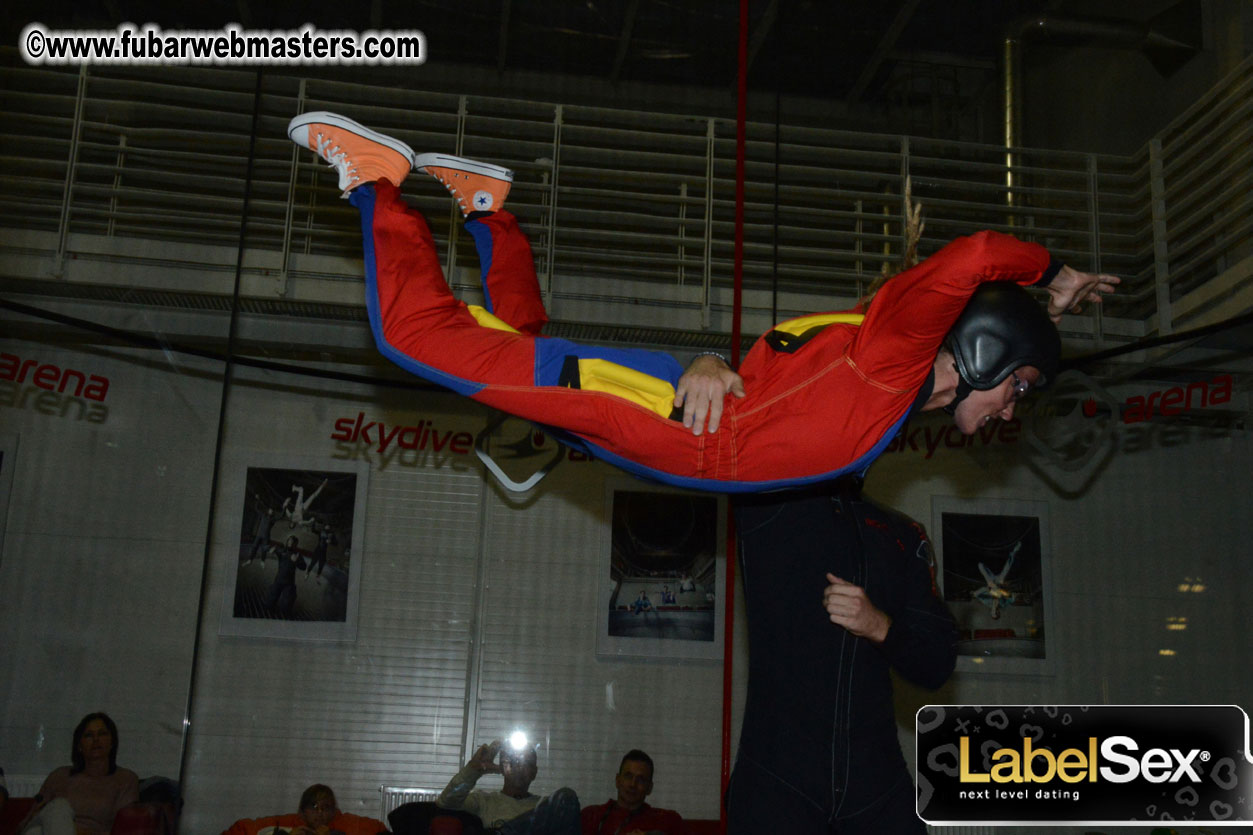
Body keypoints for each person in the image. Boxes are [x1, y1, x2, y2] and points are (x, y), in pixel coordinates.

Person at [286, 111, 1118, 493]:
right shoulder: (891, 358)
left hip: (669, 415)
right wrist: (1053, 271)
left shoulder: (886, 388)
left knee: (514, 360)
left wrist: (713, 363)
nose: (1014, 412)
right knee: (413, 336)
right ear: (982, 355)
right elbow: (973, 257)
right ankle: (378, 184)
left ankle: (487, 209)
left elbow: (772, 361)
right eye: (1019, 387)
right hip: (667, 426)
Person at [725, 477, 957, 834]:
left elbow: (937, 664)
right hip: (777, 780)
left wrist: (880, 627)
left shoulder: (902, 534)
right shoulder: (766, 500)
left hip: (875, 784)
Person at [19, 712, 140, 835]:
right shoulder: (59, 775)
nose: (96, 740)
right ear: (79, 745)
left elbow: (124, 830)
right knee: (58, 807)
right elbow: (25, 824)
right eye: (89, 735)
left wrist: (72, 830)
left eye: (102, 734)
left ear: (112, 742)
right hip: (46, 825)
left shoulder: (125, 779)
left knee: (36, 832)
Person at [437, 739, 579, 834]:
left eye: (526, 763)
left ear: (534, 773)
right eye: (514, 762)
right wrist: (474, 770)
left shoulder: (546, 809)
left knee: (566, 797)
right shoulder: (484, 801)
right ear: (503, 768)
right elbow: (446, 802)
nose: (519, 767)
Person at [579, 750, 690, 835]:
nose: (633, 784)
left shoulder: (667, 820)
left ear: (649, 788)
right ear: (618, 781)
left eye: (641, 779)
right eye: (628, 776)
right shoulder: (592, 815)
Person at [263, 535, 306, 618]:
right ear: (287, 542)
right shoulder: (282, 550)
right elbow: (264, 548)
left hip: (289, 583)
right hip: (278, 580)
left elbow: (304, 567)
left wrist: (297, 561)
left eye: (293, 542)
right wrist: (270, 549)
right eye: (289, 541)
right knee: (269, 604)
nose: (290, 543)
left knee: (286, 607)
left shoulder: (297, 555)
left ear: (296, 545)